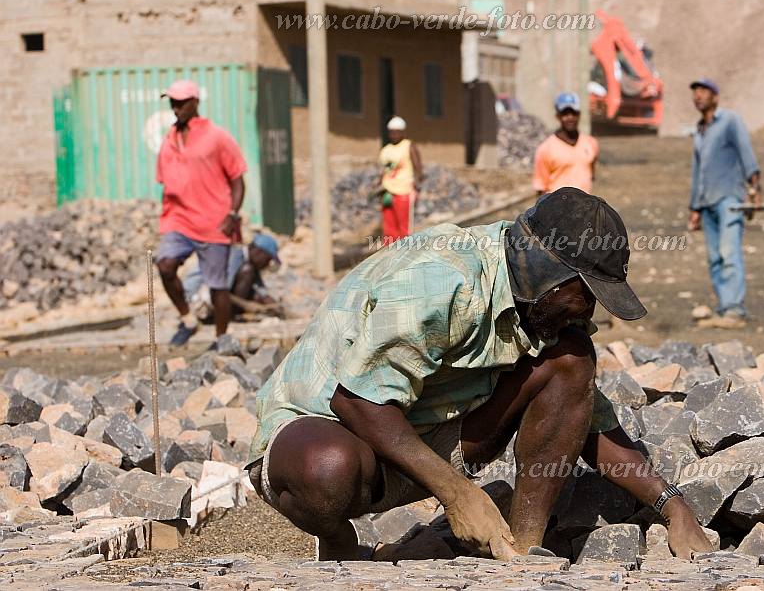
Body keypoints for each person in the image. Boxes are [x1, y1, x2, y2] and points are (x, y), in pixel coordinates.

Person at [247, 188, 715, 562]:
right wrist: (458, 496)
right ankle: (338, 542)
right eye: (585, 292)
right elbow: (356, 402)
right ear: (545, 271)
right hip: (328, 436)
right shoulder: (441, 279)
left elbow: (593, 420)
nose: (590, 309)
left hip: (414, 445)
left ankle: (523, 554)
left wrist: (672, 506)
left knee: (572, 358)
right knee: (326, 468)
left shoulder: (539, 310)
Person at [154, 79, 247, 350]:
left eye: (181, 102)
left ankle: (221, 339)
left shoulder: (217, 137)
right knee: (165, 265)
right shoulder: (168, 140)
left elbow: (238, 178)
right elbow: (166, 180)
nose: (176, 108)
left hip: (214, 222)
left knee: (217, 285)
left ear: (195, 102)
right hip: (178, 220)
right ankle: (188, 319)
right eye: (172, 102)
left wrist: (232, 213)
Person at [686, 78, 760, 330]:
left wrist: (755, 188)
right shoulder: (699, 130)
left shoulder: (730, 121)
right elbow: (698, 171)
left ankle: (734, 308)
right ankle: (724, 304)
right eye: (695, 92)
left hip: (729, 198)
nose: (698, 96)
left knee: (730, 253)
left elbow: (746, 154)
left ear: (715, 96)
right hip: (707, 203)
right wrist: (694, 208)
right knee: (714, 257)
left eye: (703, 91)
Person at [532, 92, 600, 195]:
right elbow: (541, 187)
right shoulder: (546, 149)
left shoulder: (591, 143)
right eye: (565, 114)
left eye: (574, 113)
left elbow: (592, 173)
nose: (570, 118)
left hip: (584, 208)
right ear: (558, 116)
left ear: (579, 114)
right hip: (557, 209)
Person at [378, 116, 423, 245]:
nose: (393, 134)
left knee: (404, 229)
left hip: (404, 191)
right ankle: (391, 258)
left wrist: (417, 185)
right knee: (389, 230)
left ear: (402, 132)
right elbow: (384, 170)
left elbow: (418, 166)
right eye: (391, 131)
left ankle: (405, 257)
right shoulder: (386, 150)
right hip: (388, 192)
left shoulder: (408, 146)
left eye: (396, 131)